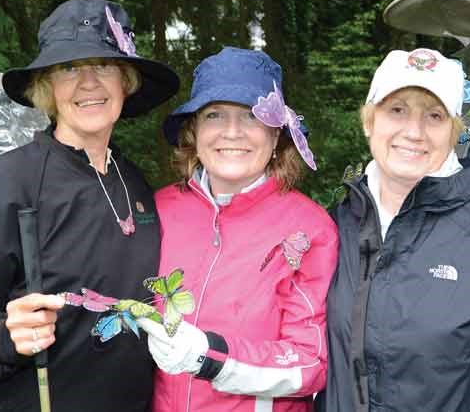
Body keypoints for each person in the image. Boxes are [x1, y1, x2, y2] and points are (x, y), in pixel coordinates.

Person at [0, 0, 179, 412]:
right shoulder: (13, 181)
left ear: (126, 81)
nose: (88, 83)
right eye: (68, 69)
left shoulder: (135, 183)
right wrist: (2, 337)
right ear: (48, 87)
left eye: (103, 66)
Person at [317, 48, 470, 411]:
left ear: (454, 130)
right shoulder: (334, 225)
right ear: (369, 121)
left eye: (434, 116)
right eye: (397, 110)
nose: (414, 131)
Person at [135, 46, 339, 412]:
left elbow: (311, 363)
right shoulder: (158, 209)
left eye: (251, 116)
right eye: (214, 115)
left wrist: (210, 356)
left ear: (277, 136)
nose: (232, 132)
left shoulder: (309, 228)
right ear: (193, 131)